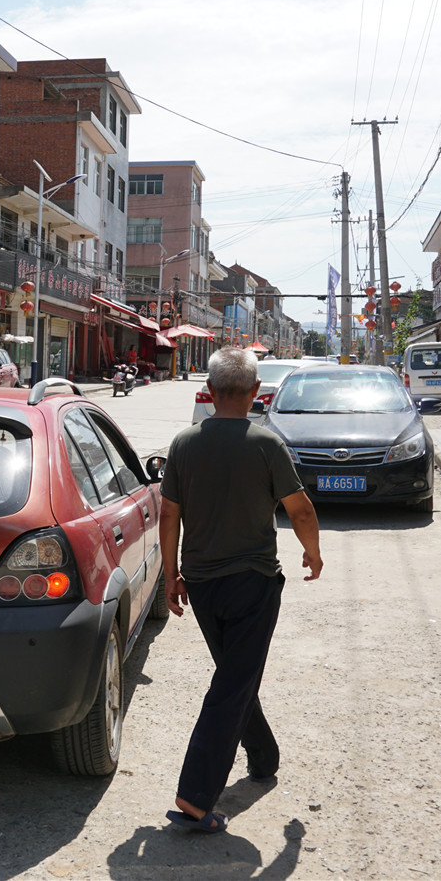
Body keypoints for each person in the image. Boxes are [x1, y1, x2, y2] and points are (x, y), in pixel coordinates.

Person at [158, 346, 322, 834]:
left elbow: (169, 515)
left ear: (208, 394)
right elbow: (301, 510)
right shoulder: (266, 444)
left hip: (203, 585)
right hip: (253, 583)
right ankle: (195, 795)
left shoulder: (184, 444)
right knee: (233, 682)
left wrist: (171, 577)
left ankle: (264, 756)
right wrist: (313, 552)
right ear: (256, 394)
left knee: (234, 673)